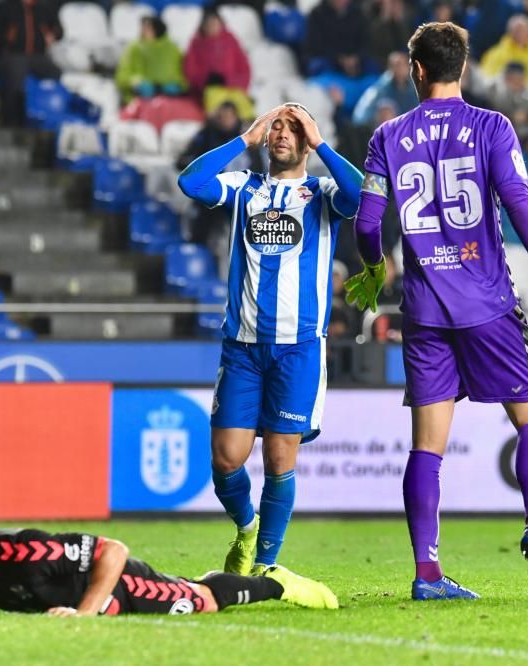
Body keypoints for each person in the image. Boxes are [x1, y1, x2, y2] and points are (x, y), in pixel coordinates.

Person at [349, 22, 528, 601]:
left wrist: (376, 270)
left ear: (417, 70)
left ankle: (428, 573)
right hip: (490, 305)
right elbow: (519, 201)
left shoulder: (388, 136)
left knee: (426, 447)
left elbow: (368, 222)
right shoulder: (492, 126)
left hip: (424, 312)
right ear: (465, 67)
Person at [177, 104, 363, 577]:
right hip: (241, 347)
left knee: (280, 457)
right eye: (276, 125)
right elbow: (190, 183)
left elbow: (362, 196)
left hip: (298, 349)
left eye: (293, 127)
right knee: (226, 460)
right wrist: (245, 139)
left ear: (306, 141)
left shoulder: (321, 193)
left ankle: (264, 564)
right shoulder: (244, 188)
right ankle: (245, 526)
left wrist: (322, 143)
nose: (282, 133)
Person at [0, 489, 337, 616]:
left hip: (118, 584)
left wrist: (86, 613)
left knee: (200, 601)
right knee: (194, 592)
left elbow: (113, 550)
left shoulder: (27, 549)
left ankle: (275, 583)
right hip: (84, 600)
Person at [0, 0, 62, 127]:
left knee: (57, 75)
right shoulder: (4, 8)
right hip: (12, 54)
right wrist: (6, 37)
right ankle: (14, 121)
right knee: (17, 79)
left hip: (39, 56)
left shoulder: (43, 8)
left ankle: (53, 116)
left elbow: (59, 30)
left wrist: (53, 34)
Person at [115, 16, 187, 103]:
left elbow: (181, 74)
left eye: (149, 28)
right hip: (141, 96)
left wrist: (177, 84)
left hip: (169, 97)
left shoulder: (172, 48)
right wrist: (134, 81)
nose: (144, 31)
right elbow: (123, 75)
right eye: (143, 28)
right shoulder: (134, 48)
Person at [183, 8, 251, 100]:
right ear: (203, 26)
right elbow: (190, 71)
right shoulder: (196, 43)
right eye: (208, 24)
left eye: (215, 24)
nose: (212, 27)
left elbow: (244, 69)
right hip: (207, 92)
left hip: (233, 89)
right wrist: (206, 81)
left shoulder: (231, 41)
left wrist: (227, 81)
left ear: (221, 24)